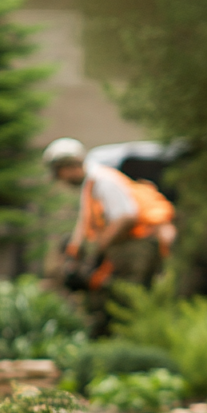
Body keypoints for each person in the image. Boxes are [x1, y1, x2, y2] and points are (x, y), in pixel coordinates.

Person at [42, 138, 176, 333]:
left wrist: (98, 251)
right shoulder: (90, 184)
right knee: (115, 297)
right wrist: (75, 251)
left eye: (58, 172)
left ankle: (130, 341)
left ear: (67, 166)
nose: (60, 179)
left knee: (127, 298)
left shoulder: (104, 180)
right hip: (125, 246)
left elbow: (126, 217)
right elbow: (86, 224)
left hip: (136, 246)